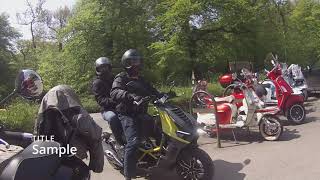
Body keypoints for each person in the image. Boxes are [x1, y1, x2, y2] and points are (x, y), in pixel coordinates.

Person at [110, 49, 162, 180]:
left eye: (137, 61)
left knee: (160, 133)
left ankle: (161, 161)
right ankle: (128, 175)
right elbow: (115, 92)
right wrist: (129, 95)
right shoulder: (121, 77)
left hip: (141, 113)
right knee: (133, 142)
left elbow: (152, 90)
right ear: (126, 63)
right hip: (127, 114)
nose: (136, 64)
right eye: (133, 61)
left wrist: (162, 95)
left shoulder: (141, 79)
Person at [92, 57, 125, 145]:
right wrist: (115, 101)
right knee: (113, 118)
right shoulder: (97, 83)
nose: (104, 70)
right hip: (107, 109)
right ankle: (119, 142)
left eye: (105, 67)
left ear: (109, 67)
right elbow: (100, 100)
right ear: (97, 69)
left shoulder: (115, 79)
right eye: (101, 68)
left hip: (120, 106)